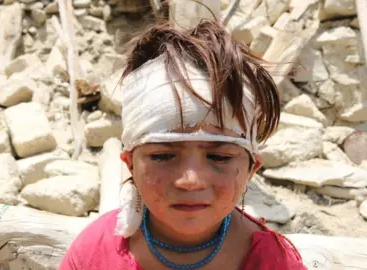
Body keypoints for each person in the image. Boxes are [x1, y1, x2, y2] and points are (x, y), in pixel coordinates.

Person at [59, 19, 307, 270]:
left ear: (251, 169)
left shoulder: (274, 263)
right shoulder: (93, 253)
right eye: (163, 156)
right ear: (130, 164)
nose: (191, 180)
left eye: (219, 157)